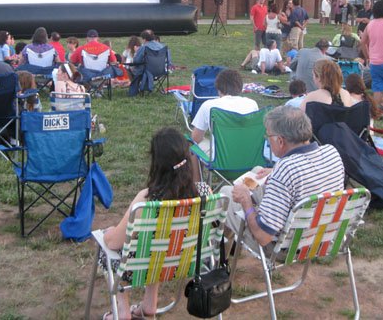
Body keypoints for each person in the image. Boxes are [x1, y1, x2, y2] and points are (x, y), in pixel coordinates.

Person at [99, 127, 209, 320]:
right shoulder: (204, 193)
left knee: (113, 249)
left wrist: (108, 233)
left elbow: (115, 243)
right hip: (186, 262)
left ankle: (123, 311)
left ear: (157, 163)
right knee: (158, 243)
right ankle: (149, 304)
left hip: (141, 267)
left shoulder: (147, 200)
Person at [222, 106, 344, 248]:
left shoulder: (286, 169)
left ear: (280, 141)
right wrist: (274, 171)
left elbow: (263, 236)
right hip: (322, 235)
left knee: (225, 194)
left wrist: (246, 201)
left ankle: (218, 254)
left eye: (268, 136)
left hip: (285, 246)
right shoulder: (331, 152)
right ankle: (223, 248)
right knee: (257, 171)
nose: (267, 141)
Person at [189, 69, 258, 177]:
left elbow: (196, 138)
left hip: (221, 163)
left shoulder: (209, 105)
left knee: (193, 146)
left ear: (218, 89)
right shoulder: (252, 104)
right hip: (250, 160)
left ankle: (198, 188)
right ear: (240, 87)